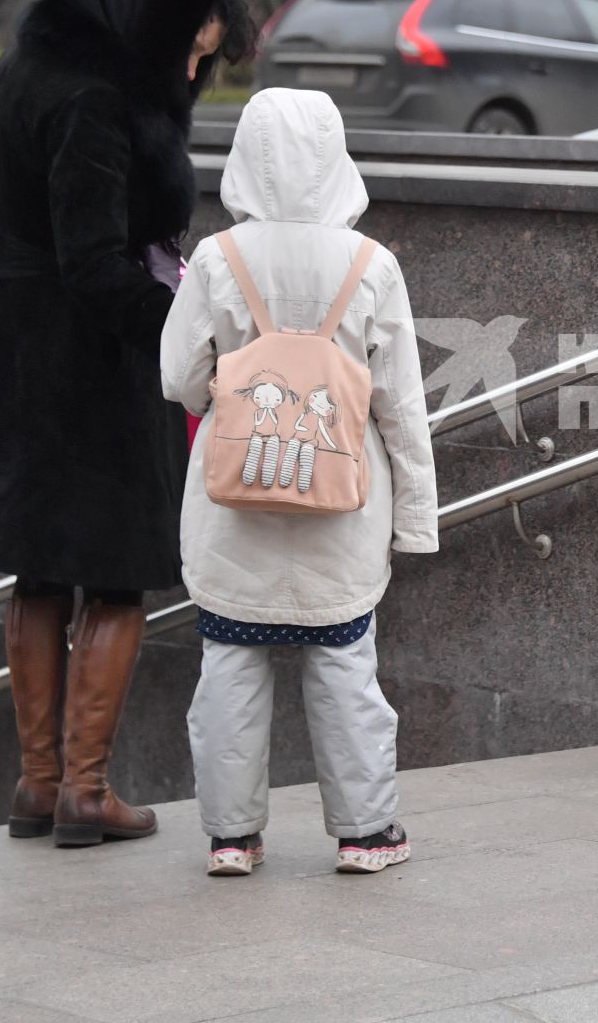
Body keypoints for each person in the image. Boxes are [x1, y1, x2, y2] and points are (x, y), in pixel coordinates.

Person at [0, 0, 251, 846]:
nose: (191, 68)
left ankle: (39, 782)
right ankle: (86, 791)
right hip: (81, 364)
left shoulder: (15, 72)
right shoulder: (96, 104)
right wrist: (192, 341)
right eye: (191, 48)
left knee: (36, 566)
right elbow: (95, 265)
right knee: (116, 575)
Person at [160, 88, 438, 877]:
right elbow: (401, 406)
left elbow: (176, 376)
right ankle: (366, 833)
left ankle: (231, 838)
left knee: (230, 673)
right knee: (346, 668)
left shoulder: (218, 258)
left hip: (233, 509)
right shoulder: (372, 265)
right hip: (341, 514)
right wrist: (414, 522)